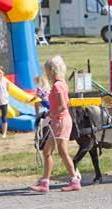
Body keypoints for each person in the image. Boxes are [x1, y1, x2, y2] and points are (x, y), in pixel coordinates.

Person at [29, 55, 81, 192]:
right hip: (59, 120)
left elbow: (63, 106)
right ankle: (45, 183)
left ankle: (74, 180)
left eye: (47, 71)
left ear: (52, 70)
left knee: (62, 152)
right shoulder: (62, 84)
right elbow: (66, 103)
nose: (46, 74)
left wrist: (51, 114)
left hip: (60, 121)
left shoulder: (57, 86)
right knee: (47, 151)